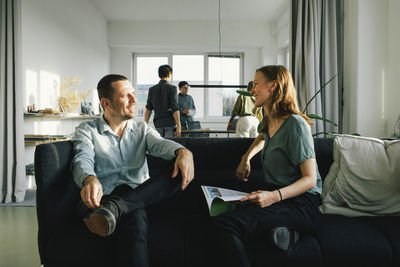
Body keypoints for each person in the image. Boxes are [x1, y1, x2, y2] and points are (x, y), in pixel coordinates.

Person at [71, 74, 194, 266]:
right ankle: (116, 207)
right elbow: (82, 158)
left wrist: (182, 151)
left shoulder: (141, 128)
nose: (134, 100)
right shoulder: (87, 130)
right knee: (135, 225)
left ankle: (115, 210)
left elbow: (160, 144)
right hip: (107, 195)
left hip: (139, 193)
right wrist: (89, 179)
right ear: (107, 103)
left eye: (134, 94)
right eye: (125, 96)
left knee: (178, 169)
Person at [212, 65, 322, 267]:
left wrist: (273, 196)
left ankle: (291, 232)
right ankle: (286, 235)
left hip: (302, 204)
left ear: (273, 86)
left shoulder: (295, 125)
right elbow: (263, 135)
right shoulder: (270, 121)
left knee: (224, 224)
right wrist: (246, 157)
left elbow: (310, 179)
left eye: (255, 84)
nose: (251, 90)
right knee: (223, 212)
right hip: (279, 198)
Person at [144, 65, 181, 138]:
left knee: (160, 147)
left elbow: (148, 109)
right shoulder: (172, 88)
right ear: (169, 74)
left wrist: (145, 125)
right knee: (169, 147)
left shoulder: (152, 89)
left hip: (158, 124)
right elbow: (174, 108)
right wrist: (179, 126)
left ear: (159, 75)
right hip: (170, 123)